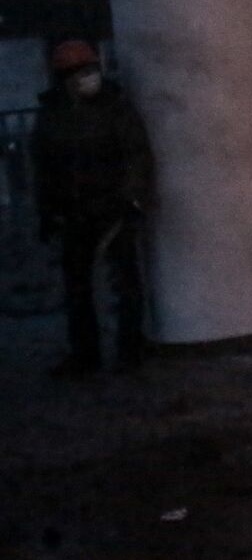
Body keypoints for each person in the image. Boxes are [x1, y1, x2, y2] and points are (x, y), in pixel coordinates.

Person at [32, 40, 156, 377]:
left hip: (113, 208)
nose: (88, 77)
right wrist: (47, 211)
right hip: (74, 213)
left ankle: (129, 351)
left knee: (125, 283)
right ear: (64, 78)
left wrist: (130, 198)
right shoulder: (52, 116)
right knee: (77, 289)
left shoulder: (115, 107)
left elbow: (136, 154)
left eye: (90, 69)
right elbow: (43, 168)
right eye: (79, 72)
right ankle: (86, 355)